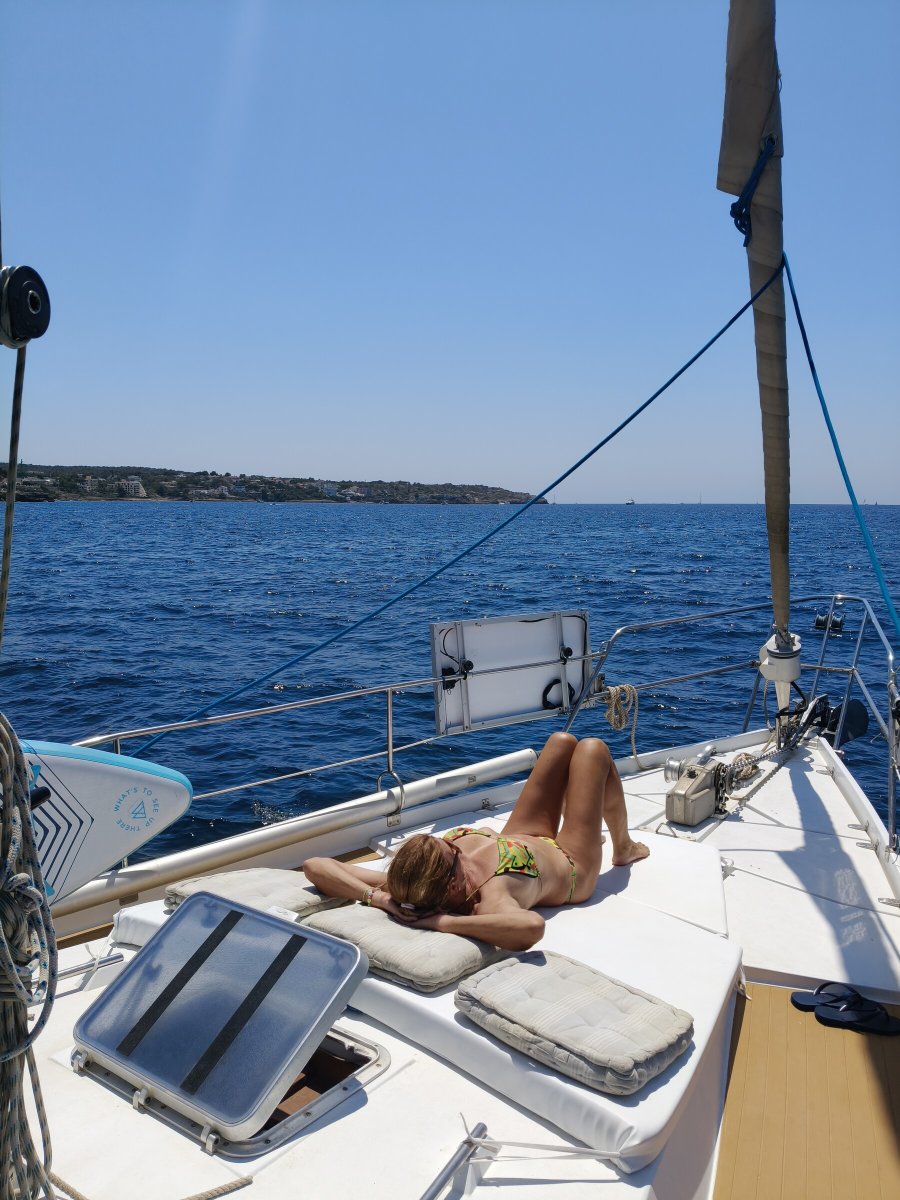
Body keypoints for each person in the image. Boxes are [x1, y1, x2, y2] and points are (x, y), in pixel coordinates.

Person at [303, 732, 649, 951]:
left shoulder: (406, 884)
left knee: (560, 742)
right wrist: (441, 923)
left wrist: (378, 898)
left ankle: (616, 840)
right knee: (593, 750)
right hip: (570, 864)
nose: (454, 843)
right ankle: (623, 848)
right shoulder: (490, 895)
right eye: (452, 850)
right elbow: (530, 927)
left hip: (521, 838)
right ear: (449, 876)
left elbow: (315, 866)